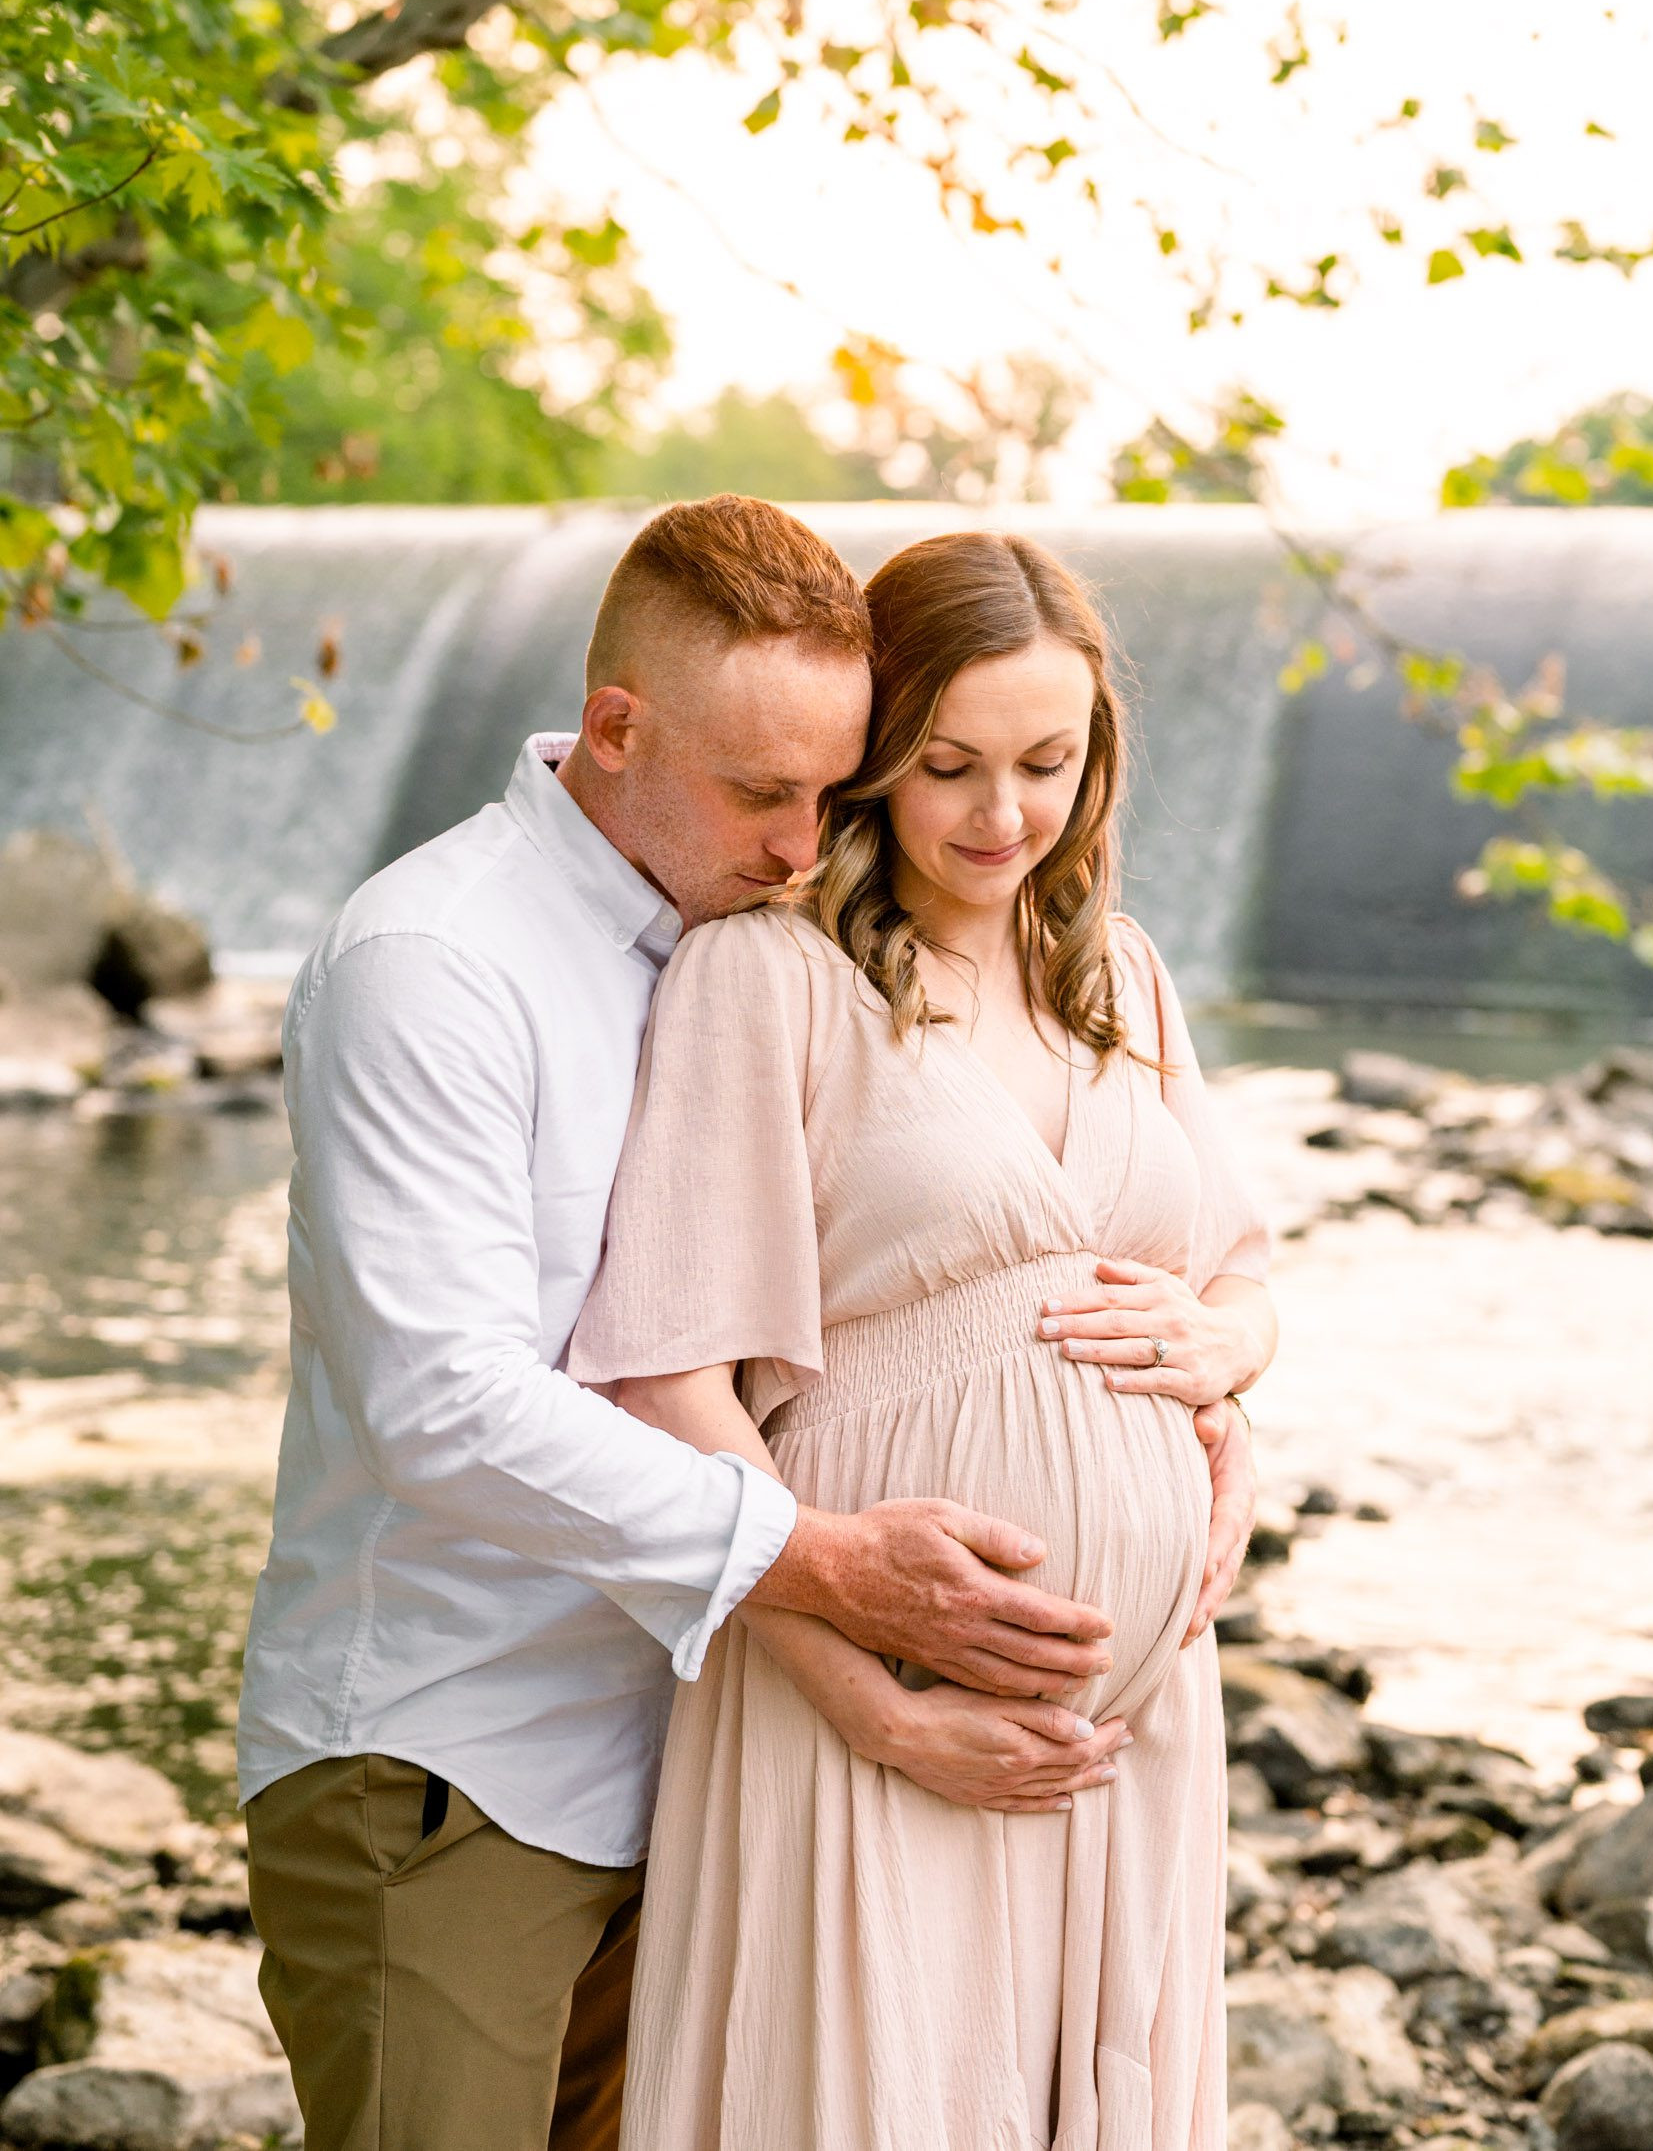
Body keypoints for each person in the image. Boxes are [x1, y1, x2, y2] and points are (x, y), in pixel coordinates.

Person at [237, 497, 1253, 2151]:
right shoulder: (438, 963)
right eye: (769, 793)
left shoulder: (741, 922)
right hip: (466, 1760)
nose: (805, 841)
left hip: (709, 1748)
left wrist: (1217, 1407)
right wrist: (837, 1595)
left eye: (829, 790)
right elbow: (449, 1406)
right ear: (619, 728)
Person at [568, 528, 1277, 2151]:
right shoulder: (768, 978)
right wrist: (861, 1694)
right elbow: (667, 1382)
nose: (1003, 814)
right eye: (951, 765)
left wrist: (1221, 1379)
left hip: (1127, 1719)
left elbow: (1243, 1284)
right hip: (862, 1706)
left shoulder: (1123, 978)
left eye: (1048, 761)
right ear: (877, 758)